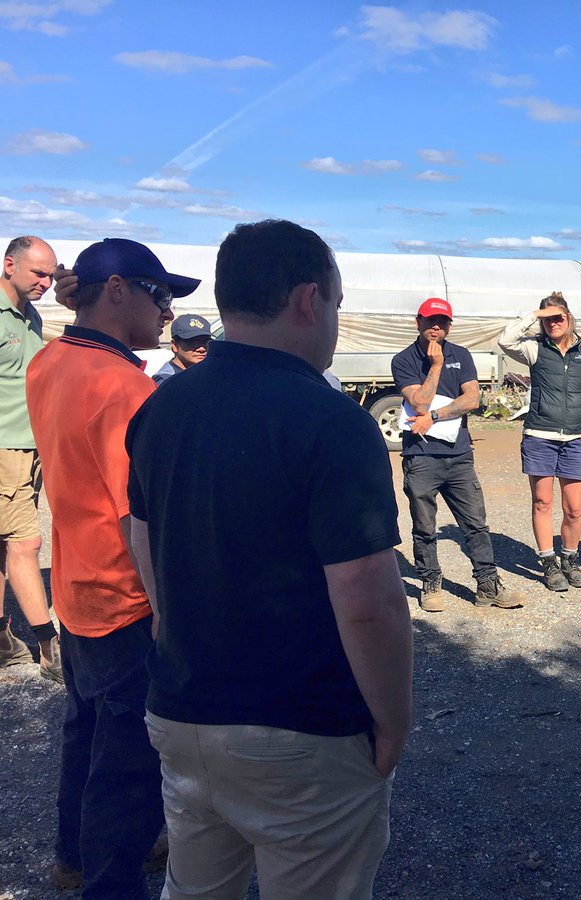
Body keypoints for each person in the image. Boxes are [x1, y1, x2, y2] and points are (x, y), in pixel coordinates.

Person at [125, 219, 412, 897]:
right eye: (337, 306)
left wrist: (171, 628)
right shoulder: (332, 420)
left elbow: (141, 535)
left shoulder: (162, 407)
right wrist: (394, 719)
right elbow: (368, 597)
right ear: (309, 300)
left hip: (182, 709)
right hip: (301, 725)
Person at [26, 237, 197, 898]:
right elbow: (140, 518)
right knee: (125, 765)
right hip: (126, 596)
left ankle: (72, 857)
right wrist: (173, 616)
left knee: (85, 731)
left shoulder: (50, 361)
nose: (166, 312)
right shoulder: (126, 389)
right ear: (120, 289)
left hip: (75, 587)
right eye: (159, 295)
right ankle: (109, 884)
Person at [393, 297, 525, 612]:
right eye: (430, 321)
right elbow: (419, 403)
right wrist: (436, 366)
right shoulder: (404, 360)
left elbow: (472, 399)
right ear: (418, 322)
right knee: (424, 525)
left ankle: (488, 586)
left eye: (443, 322)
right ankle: (431, 584)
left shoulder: (461, 355)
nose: (436, 327)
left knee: (475, 523)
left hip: (459, 454)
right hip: (422, 457)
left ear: (450, 325)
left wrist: (435, 417)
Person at [499, 293, 581, 592]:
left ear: (569, 318)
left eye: (558, 317)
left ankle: (569, 559)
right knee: (542, 502)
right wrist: (535, 313)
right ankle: (548, 562)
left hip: (574, 438)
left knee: (574, 508)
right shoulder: (534, 349)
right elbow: (505, 341)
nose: (552, 324)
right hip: (540, 436)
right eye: (547, 320)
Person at [0, 236, 62, 683]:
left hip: (30, 446)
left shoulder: (31, 314)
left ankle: (3, 640)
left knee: (5, 548)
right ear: (9, 265)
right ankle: (49, 646)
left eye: (51, 275)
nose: (46, 282)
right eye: (38, 273)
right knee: (26, 544)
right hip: (4, 448)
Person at [151, 313, 213, 385]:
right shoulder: (166, 381)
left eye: (206, 341)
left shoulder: (210, 373)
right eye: (192, 342)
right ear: (174, 345)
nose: (202, 349)